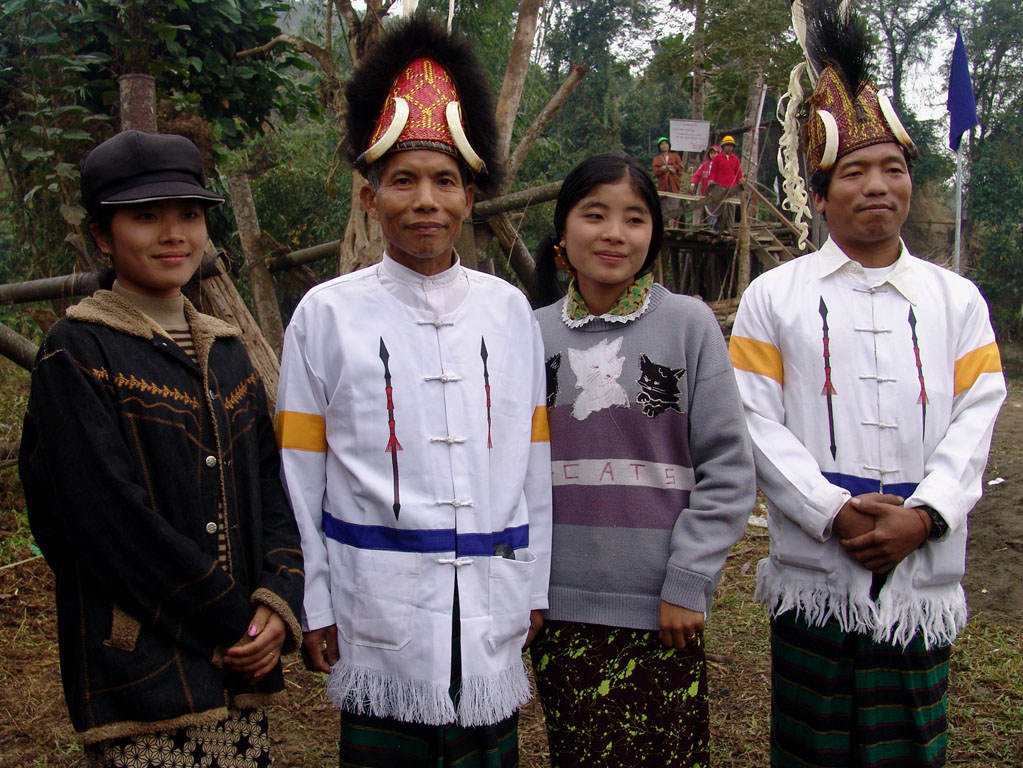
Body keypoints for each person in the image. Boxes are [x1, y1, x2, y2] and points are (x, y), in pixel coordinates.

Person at [729, 5, 1006, 767]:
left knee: (909, 746)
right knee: (811, 745)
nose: (876, 186)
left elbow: (976, 416)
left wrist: (927, 516)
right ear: (819, 195)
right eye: (852, 171)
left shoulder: (956, 301)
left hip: (921, 566)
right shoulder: (773, 298)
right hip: (817, 567)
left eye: (892, 168)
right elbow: (755, 421)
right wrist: (832, 511)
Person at [274, 16, 552, 768]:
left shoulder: (506, 311)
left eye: (443, 181)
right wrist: (317, 599)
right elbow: (302, 472)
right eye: (402, 180)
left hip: (493, 591)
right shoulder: (325, 315)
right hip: (378, 597)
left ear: (470, 197)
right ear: (370, 199)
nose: (424, 199)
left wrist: (535, 581)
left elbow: (532, 467)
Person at [18, 130, 304, 767]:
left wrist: (276, 604)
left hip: (238, 674)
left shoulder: (227, 354)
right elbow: (103, 522)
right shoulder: (79, 351)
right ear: (101, 235)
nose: (173, 233)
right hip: (139, 669)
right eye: (146, 217)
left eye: (189, 214)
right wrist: (232, 622)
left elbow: (271, 490)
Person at [530, 153, 755, 767]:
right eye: (594, 214)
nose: (613, 233)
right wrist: (523, 588)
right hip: (557, 609)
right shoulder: (529, 333)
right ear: (562, 231)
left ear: (652, 233)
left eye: (634, 218)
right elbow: (509, 478)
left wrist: (689, 581)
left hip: (662, 613)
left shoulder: (688, 325)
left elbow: (729, 470)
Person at [706, 135, 742, 231]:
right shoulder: (717, 158)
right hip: (719, 187)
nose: (729, 148)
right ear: (723, 146)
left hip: (732, 188)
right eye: (727, 145)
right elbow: (713, 171)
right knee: (720, 209)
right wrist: (711, 181)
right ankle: (718, 228)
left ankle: (729, 228)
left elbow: (739, 173)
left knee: (731, 209)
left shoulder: (735, 159)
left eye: (731, 146)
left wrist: (740, 185)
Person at [652, 136, 684, 221]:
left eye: (666, 144)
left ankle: (674, 225)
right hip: (663, 186)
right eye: (662, 144)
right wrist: (662, 169)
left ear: (669, 146)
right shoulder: (657, 159)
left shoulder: (675, 156)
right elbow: (655, 171)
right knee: (664, 206)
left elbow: (680, 167)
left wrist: (673, 168)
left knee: (675, 205)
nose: (664, 146)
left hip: (674, 184)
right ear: (659, 147)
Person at [690, 144, 720, 225]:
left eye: (715, 153)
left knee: (715, 211)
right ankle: (708, 226)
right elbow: (697, 175)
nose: (713, 155)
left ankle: (714, 227)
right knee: (707, 212)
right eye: (711, 153)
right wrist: (693, 184)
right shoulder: (704, 165)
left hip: (717, 194)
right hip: (706, 193)